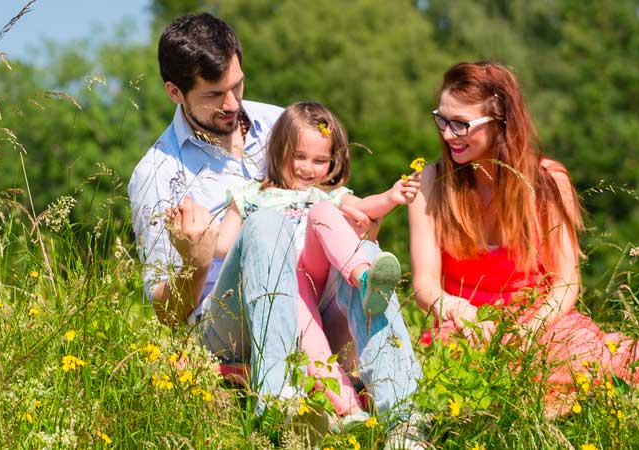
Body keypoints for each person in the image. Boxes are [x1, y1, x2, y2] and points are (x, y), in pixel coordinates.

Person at [128, 13, 426, 447]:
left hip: (314, 286)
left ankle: (405, 419)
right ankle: (276, 400)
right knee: (264, 220)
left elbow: (335, 203)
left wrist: (366, 223)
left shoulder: (279, 124)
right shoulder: (159, 174)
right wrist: (195, 261)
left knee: (362, 265)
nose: (232, 104)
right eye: (214, 95)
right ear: (175, 92)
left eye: (238, 85)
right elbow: (167, 315)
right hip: (230, 321)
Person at [406, 61, 639, 415]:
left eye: (461, 124)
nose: (448, 135)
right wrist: (456, 310)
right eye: (442, 120)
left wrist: (532, 327)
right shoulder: (430, 183)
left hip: (538, 321)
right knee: (468, 385)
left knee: (579, 359)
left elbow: (566, 283)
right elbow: (424, 286)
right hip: (465, 327)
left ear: (501, 124)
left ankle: (628, 365)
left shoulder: (547, 181)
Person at [169, 101, 419, 428]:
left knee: (325, 215)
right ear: (277, 150)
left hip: (318, 276)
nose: (307, 168)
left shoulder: (327, 195)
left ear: (332, 163)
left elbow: (364, 209)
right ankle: (348, 410)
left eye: (319, 161)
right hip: (285, 285)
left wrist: (392, 196)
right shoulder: (250, 195)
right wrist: (195, 234)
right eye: (298, 156)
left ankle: (365, 277)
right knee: (313, 345)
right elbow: (223, 246)